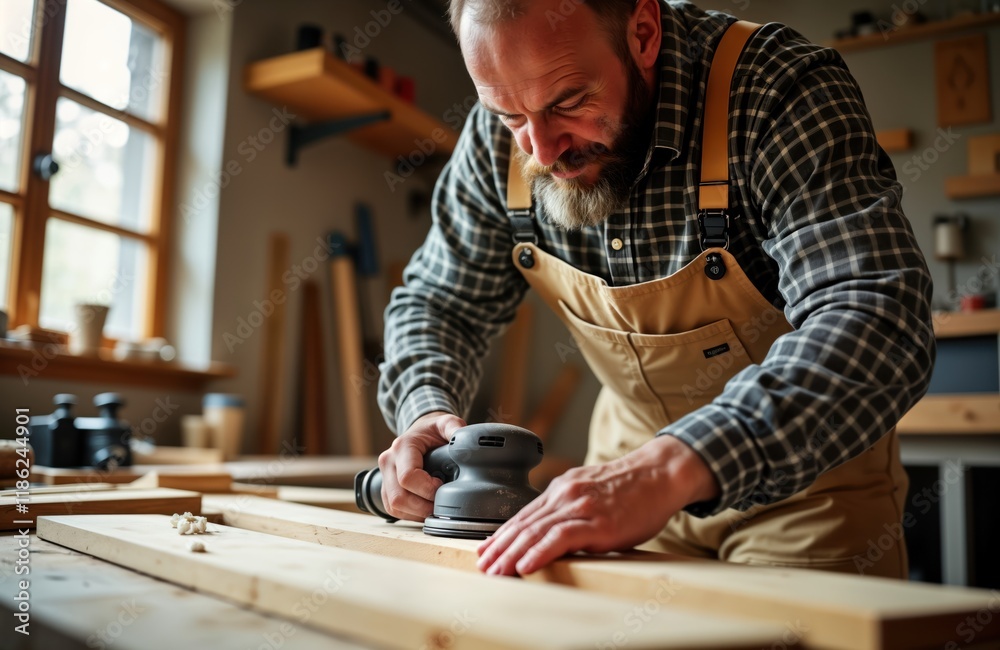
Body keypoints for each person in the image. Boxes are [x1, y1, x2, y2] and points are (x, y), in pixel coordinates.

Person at [376, 0, 935, 579]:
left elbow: (876, 314)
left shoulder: (776, 88)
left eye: (568, 102)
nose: (541, 152)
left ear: (643, 32)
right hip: (618, 486)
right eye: (509, 116)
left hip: (808, 491)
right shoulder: (502, 142)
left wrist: (672, 469)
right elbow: (439, 302)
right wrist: (425, 411)